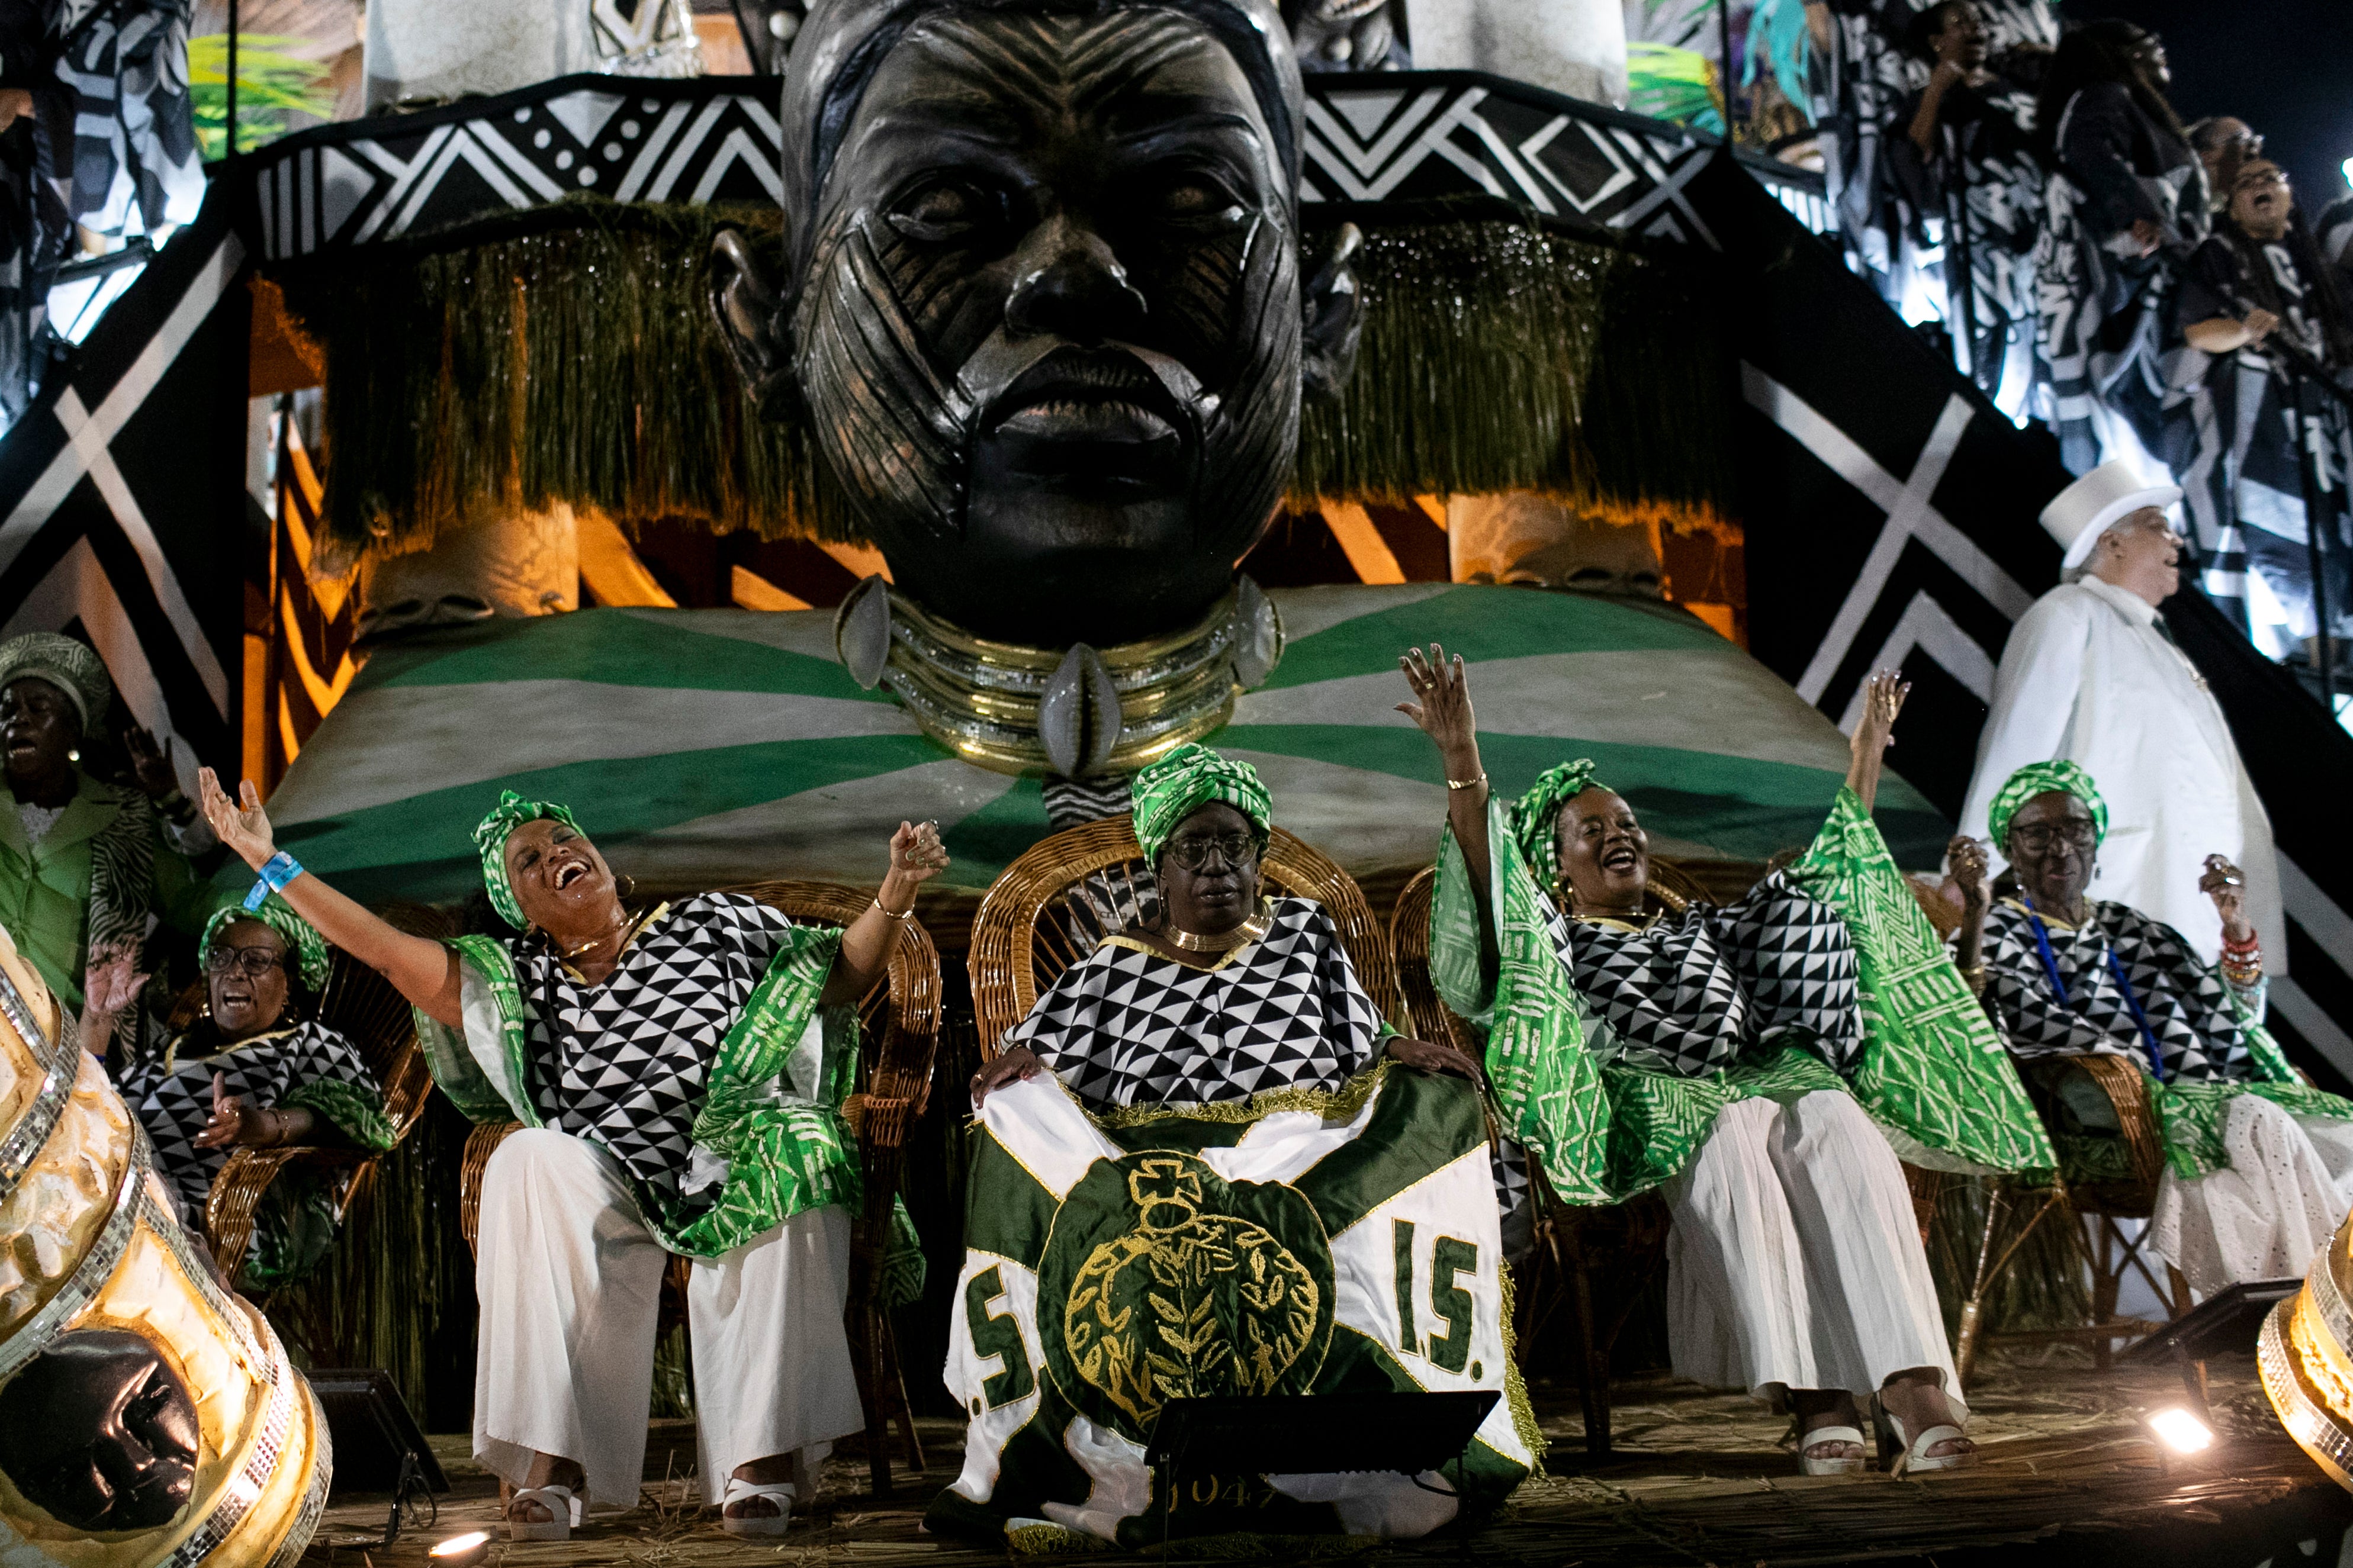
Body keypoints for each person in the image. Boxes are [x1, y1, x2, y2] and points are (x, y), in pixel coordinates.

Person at [194, 768, 947, 1543]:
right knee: (526, 1159)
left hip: (734, 1156)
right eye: (528, 860)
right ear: (518, 907)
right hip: (611, 1180)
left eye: (564, 838)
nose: (554, 852)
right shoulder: (516, 982)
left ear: (602, 863)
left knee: (801, 1139)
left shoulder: (714, 923)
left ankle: (758, 1461)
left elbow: (836, 976)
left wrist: (894, 891)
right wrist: (267, 862)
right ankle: (552, 1460)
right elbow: (385, 953)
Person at [1402, 649, 2048, 1478]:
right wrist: (1463, 763)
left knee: (1831, 1115)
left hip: (1756, 1071)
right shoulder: (1554, 943)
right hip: (1650, 1095)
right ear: (1557, 870)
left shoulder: (1706, 928)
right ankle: (1817, 1398)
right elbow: (1495, 896)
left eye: (1626, 823)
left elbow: (1830, 882)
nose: (1617, 836)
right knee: (1734, 1122)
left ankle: (1912, 1388)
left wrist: (1865, 757)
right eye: (1590, 831)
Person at [1954, 761, 2353, 1294]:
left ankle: (2326, 1294)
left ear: (2095, 841)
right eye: (2038, 833)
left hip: (2204, 1097)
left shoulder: (2134, 928)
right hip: (2099, 1116)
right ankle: (2319, 1304)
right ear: (2009, 847)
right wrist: (1976, 916)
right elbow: (1970, 1023)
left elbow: (2233, 1021)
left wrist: (2235, 928)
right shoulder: (1999, 928)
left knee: (2344, 1134)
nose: (2061, 848)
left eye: (2075, 829)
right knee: (2259, 1118)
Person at [970, 742, 1480, 1112]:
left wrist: (1398, 1047)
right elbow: (1046, 1049)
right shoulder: (1116, 964)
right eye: (1193, 848)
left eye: (1234, 846)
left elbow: (1361, 1036)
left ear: (1258, 864)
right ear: (1160, 871)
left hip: (1312, 1162)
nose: (1217, 865)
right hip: (1164, 1183)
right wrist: (1016, 1065)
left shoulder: (1303, 931)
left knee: (1443, 1103)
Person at [1958, 459, 2283, 968]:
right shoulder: (2067, 615)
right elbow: (2017, 753)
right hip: (2126, 899)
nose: (2176, 542)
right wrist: (1971, 872)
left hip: (2192, 913)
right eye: (2159, 526)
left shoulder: (2157, 643)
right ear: (2113, 542)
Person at [85, 897, 391, 1284]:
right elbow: (96, 1106)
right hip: (112, 1189)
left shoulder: (309, 1042)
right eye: (222, 957)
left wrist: (262, 1125)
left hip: (216, 1216)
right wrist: (97, 1019)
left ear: (290, 982)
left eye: (257, 960)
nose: (234, 972)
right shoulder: (174, 1044)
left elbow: (358, 1117)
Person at [2168, 157, 2353, 666]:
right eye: (2247, 183)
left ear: (2291, 197)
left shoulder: (2313, 260)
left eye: (2272, 178)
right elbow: (2197, 331)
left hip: (2326, 424)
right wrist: (2246, 332)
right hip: (2262, 426)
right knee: (2288, 533)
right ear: (2231, 206)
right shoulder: (2219, 254)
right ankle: (2321, 657)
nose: (2261, 187)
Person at [0, 632, 220, 1047]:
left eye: (38, 708)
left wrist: (277, 899)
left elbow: (192, 905)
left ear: (72, 733)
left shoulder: (121, 818)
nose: (19, 719)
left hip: (70, 1047)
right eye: (7, 710)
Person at [2032, 20, 2205, 474]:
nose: (2161, 51)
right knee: (2131, 395)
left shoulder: (2133, 105)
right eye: (2151, 43)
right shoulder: (2107, 95)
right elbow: (2090, 149)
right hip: (2133, 276)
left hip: (2157, 271)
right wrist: (2136, 212)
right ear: (2122, 56)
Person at [1888, 0, 2044, 402]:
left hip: (2034, 234)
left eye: (1978, 23)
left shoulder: (2018, 90)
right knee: (1991, 345)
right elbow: (1914, 153)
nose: (1975, 30)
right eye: (1961, 23)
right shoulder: (1927, 100)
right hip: (1979, 245)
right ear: (1937, 42)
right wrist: (1941, 84)